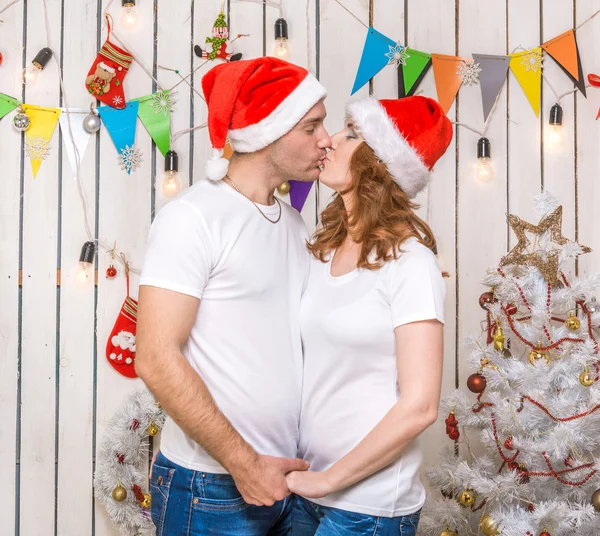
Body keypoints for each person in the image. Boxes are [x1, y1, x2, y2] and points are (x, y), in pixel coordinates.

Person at [135, 57, 330, 536]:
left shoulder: (293, 224)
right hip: (212, 486)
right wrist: (244, 464)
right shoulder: (193, 218)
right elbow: (155, 358)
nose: (325, 140)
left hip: (290, 481)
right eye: (312, 126)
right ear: (270, 132)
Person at [287, 95, 453, 535]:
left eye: (352, 133)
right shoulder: (320, 252)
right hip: (304, 493)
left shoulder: (411, 264)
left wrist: (329, 480)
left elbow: (420, 407)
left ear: (382, 164)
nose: (329, 141)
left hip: (367, 508)